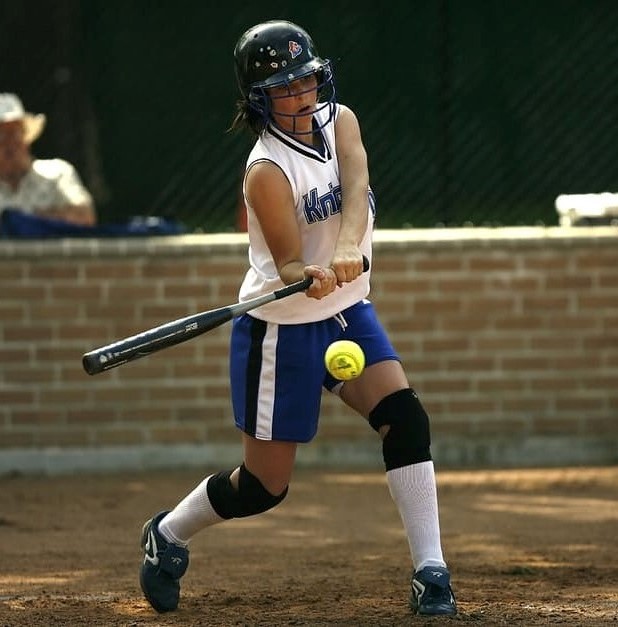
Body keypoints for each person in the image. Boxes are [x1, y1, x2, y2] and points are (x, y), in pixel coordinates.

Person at [139, 20, 457, 617]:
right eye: (286, 87)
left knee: (406, 420)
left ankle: (431, 572)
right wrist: (302, 273)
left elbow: (357, 185)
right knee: (264, 488)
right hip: (280, 330)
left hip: (348, 310)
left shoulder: (341, 121)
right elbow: (287, 261)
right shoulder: (266, 170)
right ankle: (169, 534)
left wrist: (345, 249)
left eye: (307, 78)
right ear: (260, 99)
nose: (303, 94)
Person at [0, 93, 96, 227]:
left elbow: (85, 217)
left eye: (14, 134)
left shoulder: (57, 173)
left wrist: (27, 222)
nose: (9, 144)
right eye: (1, 137)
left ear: (26, 137)